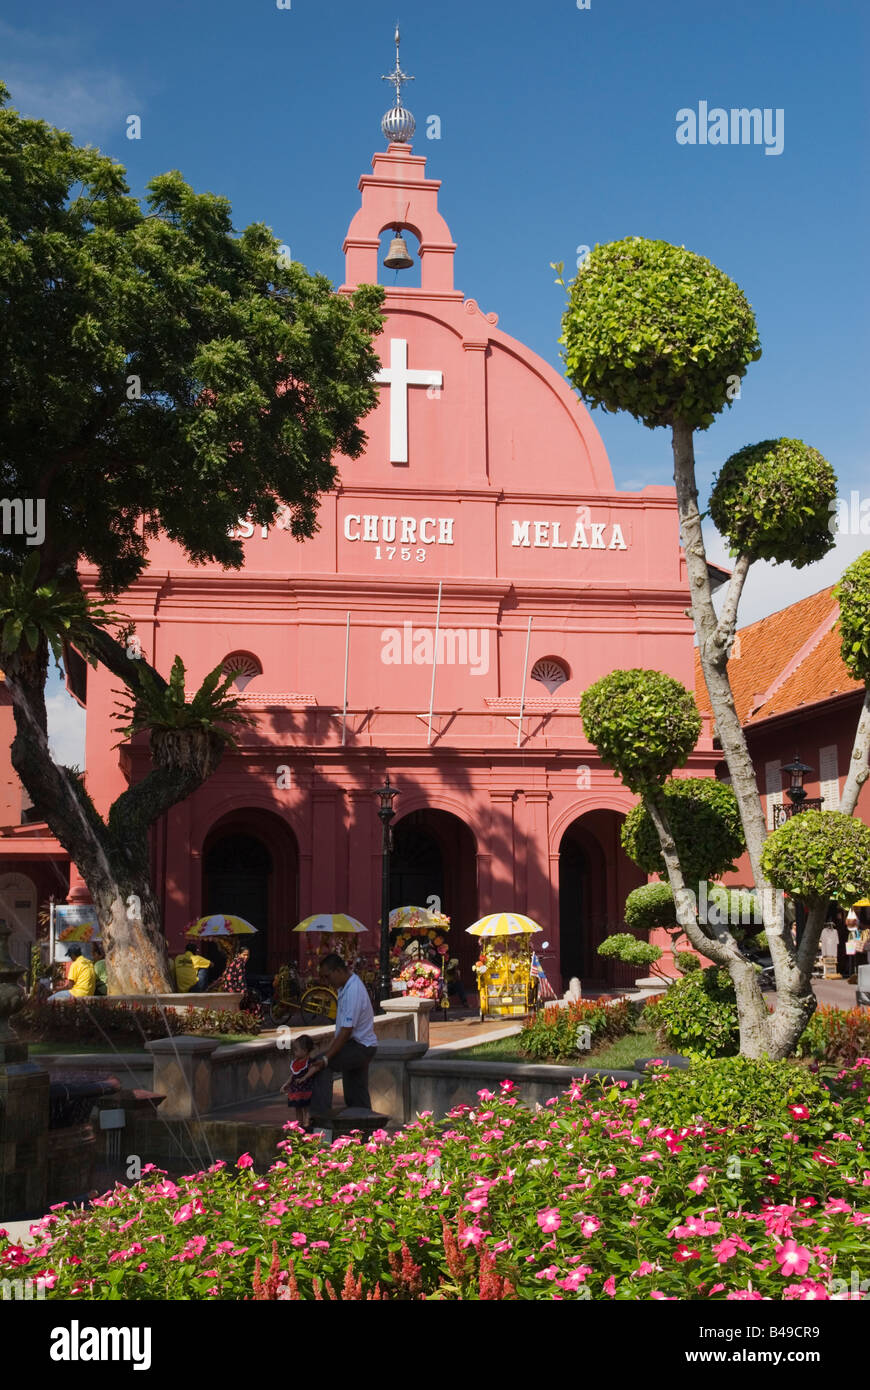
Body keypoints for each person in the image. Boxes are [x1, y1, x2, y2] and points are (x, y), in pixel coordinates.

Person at [308, 953, 378, 1111]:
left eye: (327, 976)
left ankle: (320, 1119)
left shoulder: (353, 990)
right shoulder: (345, 987)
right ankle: (365, 1128)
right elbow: (342, 1030)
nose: (326, 982)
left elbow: (346, 1031)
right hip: (358, 1045)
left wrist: (326, 1058)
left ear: (338, 971)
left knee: (321, 1066)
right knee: (356, 1094)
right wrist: (330, 1051)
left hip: (360, 1046)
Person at [280, 1033, 316, 1128]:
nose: (294, 1052)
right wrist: (286, 1084)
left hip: (305, 1088)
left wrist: (304, 1078)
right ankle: (299, 1123)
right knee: (297, 1107)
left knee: (306, 1107)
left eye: (296, 1050)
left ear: (304, 1050)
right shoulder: (296, 1062)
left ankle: (307, 1122)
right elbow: (293, 1075)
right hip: (296, 1089)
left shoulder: (309, 1062)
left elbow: (313, 1069)